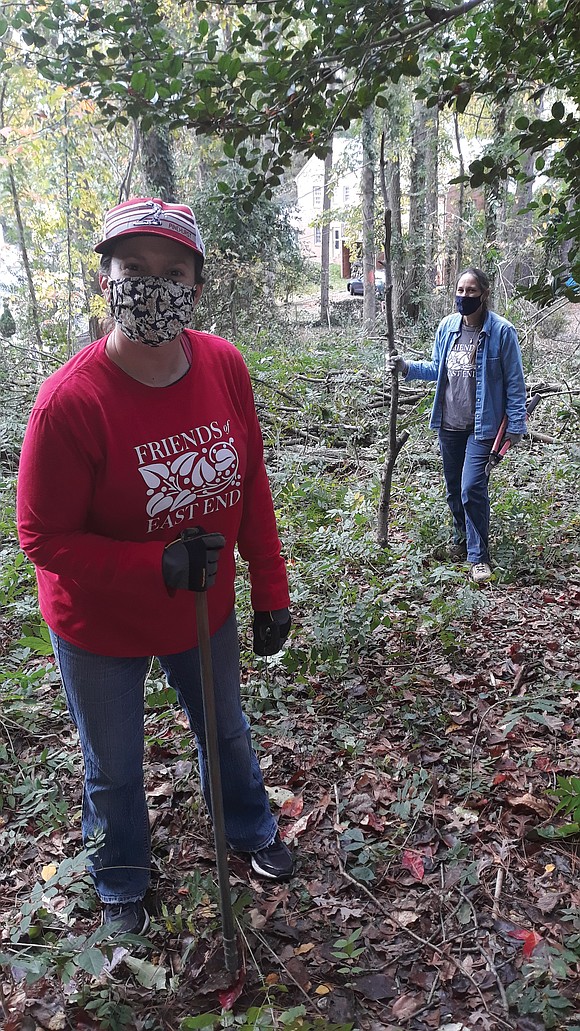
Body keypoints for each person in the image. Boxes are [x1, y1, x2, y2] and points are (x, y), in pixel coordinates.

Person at [17, 197, 294, 937]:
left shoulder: (224, 366)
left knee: (225, 729)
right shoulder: (69, 403)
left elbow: (251, 479)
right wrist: (155, 564)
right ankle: (120, 878)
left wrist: (271, 586)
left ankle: (248, 826)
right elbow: (41, 536)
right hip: (99, 623)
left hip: (201, 611)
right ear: (105, 279)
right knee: (114, 762)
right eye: (133, 268)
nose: (153, 285)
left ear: (196, 287)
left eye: (173, 272)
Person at [390, 267, 527, 583]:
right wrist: (406, 366)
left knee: (471, 488)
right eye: (460, 290)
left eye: (471, 291)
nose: (464, 296)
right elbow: (437, 368)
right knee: (454, 491)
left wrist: (516, 426)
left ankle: (480, 558)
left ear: (484, 294)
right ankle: (462, 539)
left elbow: (515, 383)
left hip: (483, 427)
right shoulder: (447, 327)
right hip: (448, 424)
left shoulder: (502, 333)